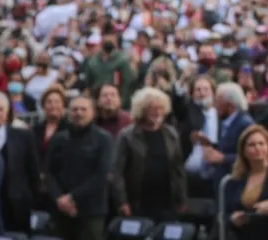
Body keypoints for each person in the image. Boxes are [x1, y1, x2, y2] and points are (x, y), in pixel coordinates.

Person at [111, 88, 187, 223]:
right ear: (142, 110)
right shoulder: (127, 136)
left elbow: (178, 169)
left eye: (161, 108)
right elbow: (117, 173)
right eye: (152, 108)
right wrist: (122, 202)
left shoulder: (172, 134)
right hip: (137, 201)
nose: (157, 112)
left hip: (166, 201)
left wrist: (181, 198)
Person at [46, 95, 114, 240]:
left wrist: (72, 197)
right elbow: (49, 173)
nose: (79, 113)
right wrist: (59, 198)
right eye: (75, 109)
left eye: (84, 109)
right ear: (68, 113)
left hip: (91, 211)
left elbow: (101, 175)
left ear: (93, 113)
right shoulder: (58, 139)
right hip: (61, 210)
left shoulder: (104, 139)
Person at [223, 124, 268, 240]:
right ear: (244, 151)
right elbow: (225, 213)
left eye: (261, 143)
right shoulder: (236, 178)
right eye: (252, 145)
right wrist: (232, 219)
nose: (257, 148)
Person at [0, 90, 41, 233]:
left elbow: (33, 171)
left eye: (0, 109)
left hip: (17, 207)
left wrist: (33, 201)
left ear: (7, 112)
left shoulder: (24, 136)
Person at [207, 82, 256, 190]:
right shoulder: (221, 121)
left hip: (236, 184)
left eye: (218, 101)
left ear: (230, 105)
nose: (214, 105)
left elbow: (252, 155)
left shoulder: (245, 124)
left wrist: (224, 159)